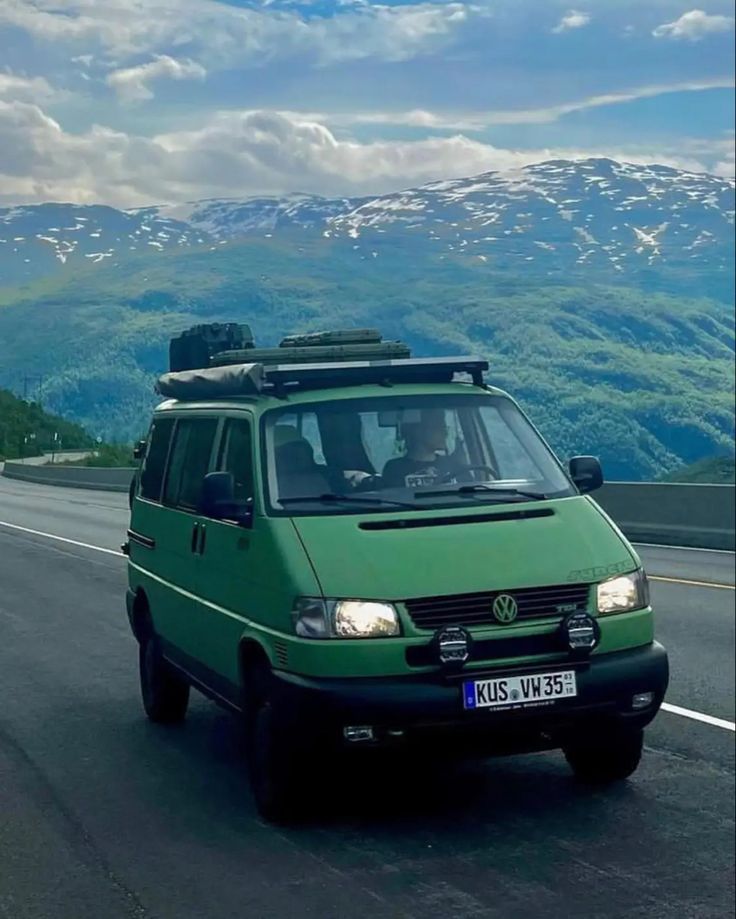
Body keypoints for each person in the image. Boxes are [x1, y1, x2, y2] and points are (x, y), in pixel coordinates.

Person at [382, 409, 458, 488]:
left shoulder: (452, 464)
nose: (445, 433)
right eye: (437, 428)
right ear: (418, 431)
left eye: (445, 428)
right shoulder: (394, 470)